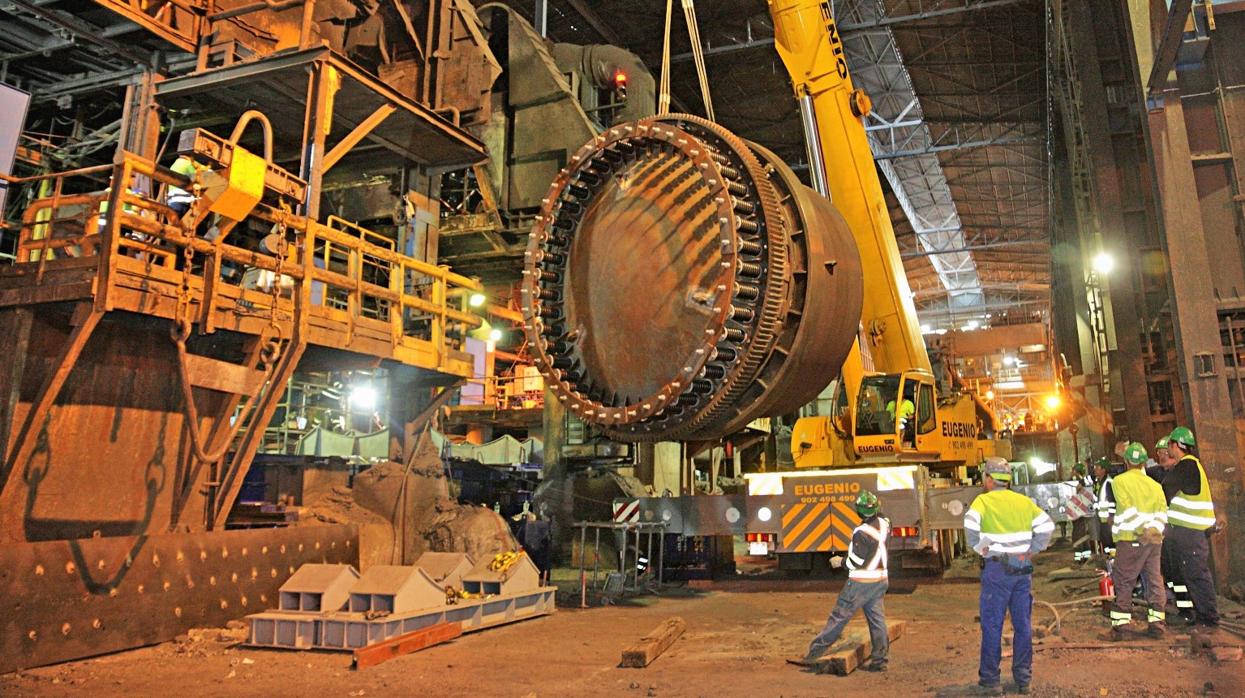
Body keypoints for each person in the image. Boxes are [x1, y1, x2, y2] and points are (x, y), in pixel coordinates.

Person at [964, 457, 1054, 696]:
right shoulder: (1024, 502)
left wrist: (986, 550)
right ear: (1008, 479)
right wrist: (1031, 549)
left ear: (990, 479)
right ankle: (1024, 679)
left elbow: (970, 529)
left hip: (997, 569)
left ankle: (991, 681)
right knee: (1022, 624)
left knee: (993, 625)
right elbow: (1046, 526)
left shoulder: (983, 501)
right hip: (1021, 566)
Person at [791, 491, 890, 672]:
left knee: (838, 617)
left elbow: (855, 562)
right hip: (880, 580)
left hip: (861, 583)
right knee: (877, 621)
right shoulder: (884, 524)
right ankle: (880, 661)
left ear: (858, 512)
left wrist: (839, 562)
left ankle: (814, 654)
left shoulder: (861, 533)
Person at [1103, 442, 1168, 640]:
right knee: (1154, 580)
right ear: (1143, 462)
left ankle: (1122, 628)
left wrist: (1142, 531)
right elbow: (1162, 512)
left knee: (1124, 581)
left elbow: (1128, 509)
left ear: (1127, 461)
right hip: (1154, 541)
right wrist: (1154, 530)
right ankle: (1157, 625)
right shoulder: (1155, 485)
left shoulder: (1120, 482)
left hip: (1131, 539)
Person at [1163, 426, 1219, 630]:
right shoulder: (1189, 465)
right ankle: (1198, 614)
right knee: (1190, 574)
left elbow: (1165, 488)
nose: (1167, 450)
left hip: (1191, 532)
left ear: (1176, 445)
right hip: (1189, 532)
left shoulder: (1186, 466)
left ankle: (1209, 619)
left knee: (1197, 574)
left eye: (1169, 445)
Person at [1093, 456, 1116, 556]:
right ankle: (1108, 561)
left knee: (1110, 544)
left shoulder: (1108, 483)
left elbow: (1112, 502)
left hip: (1108, 521)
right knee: (1106, 544)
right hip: (1103, 521)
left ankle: (1112, 562)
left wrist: (1111, 516)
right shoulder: (1100, 482)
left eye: (1097, 467)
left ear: (1103, 469)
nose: (1095, 469)